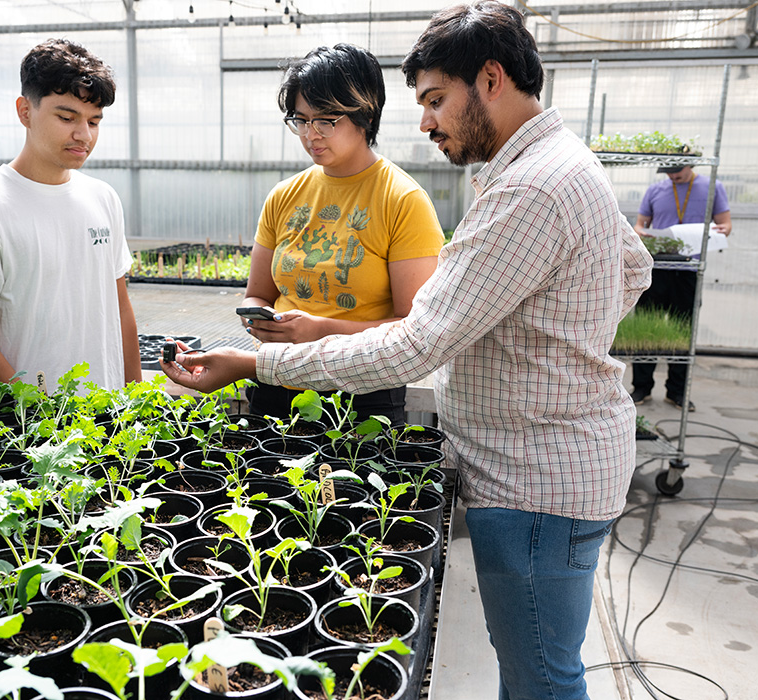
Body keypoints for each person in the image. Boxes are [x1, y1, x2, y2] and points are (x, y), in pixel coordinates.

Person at [161, 3, 652, 698]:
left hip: (538, 476)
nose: (424, 121)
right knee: (536, 658)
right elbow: (635, 270)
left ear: (490, 78)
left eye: (434, 100)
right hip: (551, 464)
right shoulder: (561, 163)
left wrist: (254, 362)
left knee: (541, 674)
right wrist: (558, 337)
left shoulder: (531, 187)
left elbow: (412, 347)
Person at [240, 43, 445, 425]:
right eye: (300, 120)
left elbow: (414, 328)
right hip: (278, 380)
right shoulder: (284, 196)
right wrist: (262, 320)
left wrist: (320, 330)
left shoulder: (402, 200)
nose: (310, 134)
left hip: (363, 394)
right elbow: (258, 293)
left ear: (364, 113)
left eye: (326, 120)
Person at [0, 39, 141, 391]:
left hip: (109, 417)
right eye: (66, 117)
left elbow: (120, 309)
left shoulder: (103, 198)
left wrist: (134, 401)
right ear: (25, 111)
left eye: (94, 121)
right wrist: (39, 416)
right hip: (33, 430)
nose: (83, 135)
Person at [631, 164, 731, 411]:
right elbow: (639, 225)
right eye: (669, 173)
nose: (674, 177)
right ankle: (641, 388)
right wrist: (642, 234)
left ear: (691, 165)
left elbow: (726, 224)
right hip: (657, 269)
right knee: (646, 328)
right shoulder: (655, 190)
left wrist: (723, 231)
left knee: (683, 330)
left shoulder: (712, 188)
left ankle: (677, 392)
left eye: (679, 172)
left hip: (689, 271)